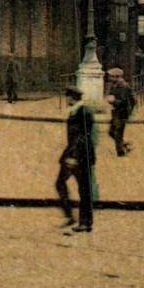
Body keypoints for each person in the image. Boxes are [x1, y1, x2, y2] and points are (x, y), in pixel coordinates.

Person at [56, 84, 95, 232]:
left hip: (81, 155)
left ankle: (85, 222)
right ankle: (70, 216)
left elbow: (82, 137)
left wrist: (74, 157)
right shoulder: (76, 110)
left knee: (84, 189)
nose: (66, 100)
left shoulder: (83, 112)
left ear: (72, 98)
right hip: (73, 153)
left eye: (68, 97)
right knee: (61, 183)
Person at [104, 67, 135, 156]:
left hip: (122, 112)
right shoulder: (115, 85)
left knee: (118, 132)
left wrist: (113, 101)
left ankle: (121, 152)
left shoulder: (123, 86)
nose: (109, 78)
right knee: (111, 132)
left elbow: (123, 101)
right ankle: (124, 144)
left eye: (111, 76)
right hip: (116, 111)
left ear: (117, 77)